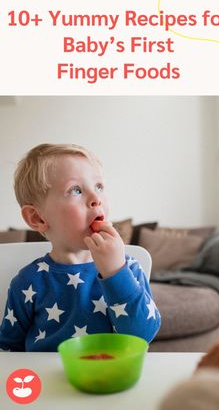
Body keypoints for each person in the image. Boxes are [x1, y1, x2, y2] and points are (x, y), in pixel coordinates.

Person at [0, 143, 161, 352]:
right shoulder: (28, 281)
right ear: (38, 217)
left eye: (99, 186)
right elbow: (8, 350)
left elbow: (142, 335)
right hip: (47, 381)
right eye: (76, 190)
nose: (96, 199)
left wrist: (115, 272)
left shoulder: (127, 268)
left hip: (110, 381)